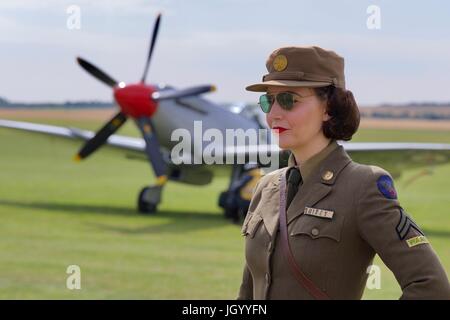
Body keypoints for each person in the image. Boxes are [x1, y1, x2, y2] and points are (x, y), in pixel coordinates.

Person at [238, 46, 450, 300]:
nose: (273, 114)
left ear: (328, 107)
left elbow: (431, 286)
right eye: (268, 101)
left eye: (288, 100)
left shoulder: (363, 186)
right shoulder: (267, 187)